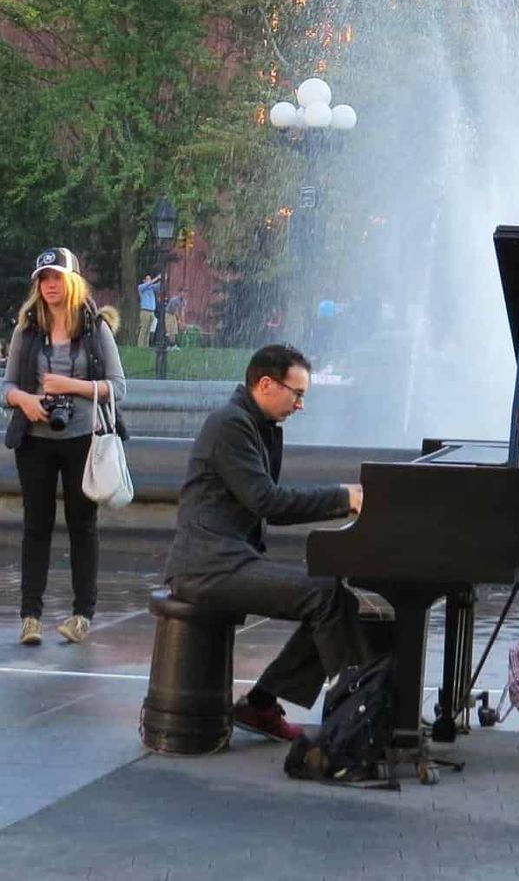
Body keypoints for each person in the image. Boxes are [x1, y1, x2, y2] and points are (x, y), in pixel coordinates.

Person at [163, 343, 366, 740]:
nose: (301, 404)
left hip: (229, 560)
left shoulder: (260, 426)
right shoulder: (230, 425)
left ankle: (262, 705)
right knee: (326, 597)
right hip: (208, 567)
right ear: (267, 384)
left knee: (332, 596)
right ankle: (355, 716)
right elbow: (268, 502)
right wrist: (344, 497)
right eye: (298, 393)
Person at [1, 248, 126, 645]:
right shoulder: (28, 329)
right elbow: (5, 386)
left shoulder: (95, 329)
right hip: (35, 441)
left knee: (82, 527)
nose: (50, 285)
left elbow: (118, 387)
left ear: (71, 281)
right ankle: (30, 617)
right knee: (35, 527)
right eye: (43, 279)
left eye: (56, 277)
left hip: (81, 441)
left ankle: (82, 614)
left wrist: (71, 386)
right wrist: (25, 400)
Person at [136, 273, 160, 348]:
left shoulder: (152, 288)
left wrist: (162, 279)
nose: (149, 280)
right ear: (144, 280)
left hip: (152, 312)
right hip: (145, 311)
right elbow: (149, 283)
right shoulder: (141, 287)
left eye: (150, 279)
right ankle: (140, 345)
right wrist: (156, 278)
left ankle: (145, 346)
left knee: (148, 330)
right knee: (144, 328)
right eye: (147, 279)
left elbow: (159, 286)